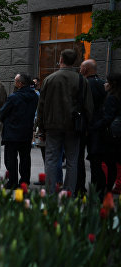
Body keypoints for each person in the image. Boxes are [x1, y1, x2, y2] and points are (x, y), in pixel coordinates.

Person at [36, 49, 93, 193]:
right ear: (75, 62)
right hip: (74, 126)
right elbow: (88, 106)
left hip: (53, 125)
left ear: (61, 59)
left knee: (51, 159)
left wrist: (40, 128)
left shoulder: (50, 79)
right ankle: (69, 193)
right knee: (72, 161)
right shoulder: (81, 80)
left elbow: (41, 106)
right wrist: (87, 126)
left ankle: (50, 192)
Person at [0, 73, 39, 189]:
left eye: (15, 81)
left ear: (20, 84)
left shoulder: (13, 97)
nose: (14, 83)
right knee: (25, 158)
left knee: (11, 159)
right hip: (26, 132)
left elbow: (2, 113)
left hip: (12, 133)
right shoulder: (34, 96)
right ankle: (24, 181)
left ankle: (12, 181)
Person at [91, 72, 120, 198]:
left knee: (101, 163)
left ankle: (104, 189)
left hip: (108, 136)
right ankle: (108, 188)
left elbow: (107, 118)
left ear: (112, 84)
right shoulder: (117, 96)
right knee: (112, 163)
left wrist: (94, 127)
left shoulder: (112, 98)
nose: (105, 84)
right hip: (116, 136)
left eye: (107, 81)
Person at [80, 59, 107, 196]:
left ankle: (82, 187)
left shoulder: (84, 84)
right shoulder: (103, 85)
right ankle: (99, 188)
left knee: (80, 159)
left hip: (86, 127)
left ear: (85, 70)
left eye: (81, 68)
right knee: (97, 161)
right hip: (101, 127)